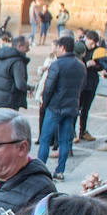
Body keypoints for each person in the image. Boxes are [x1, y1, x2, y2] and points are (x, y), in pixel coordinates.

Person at [36, 35, 84, 180]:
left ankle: (40, 170)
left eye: (57, 47)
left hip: (55, 107)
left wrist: (45, 103)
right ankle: (60, 171)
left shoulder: (56, 64)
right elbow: (81, 87)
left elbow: (49, 87)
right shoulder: (80, 66)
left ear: (62, 48)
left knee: (45, 139)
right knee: (65, 141)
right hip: (71, 107)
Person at [0, 34, 31, 111]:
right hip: (8, 101)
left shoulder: (1, 56)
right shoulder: (17, 61)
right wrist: (29, 88)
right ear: (19, 46)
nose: (28, 50)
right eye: (27, 47)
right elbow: (20, 84)